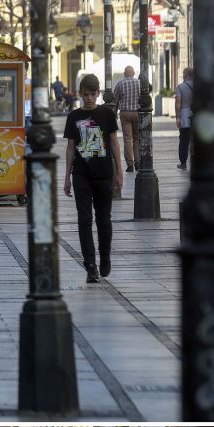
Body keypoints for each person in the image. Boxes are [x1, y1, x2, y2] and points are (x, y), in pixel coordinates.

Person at [62, 73, 124, 283]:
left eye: (93, 94)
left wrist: (120, 172)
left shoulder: (106, 114)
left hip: (104, 173)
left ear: (98, 94)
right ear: (80, 94)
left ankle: (105, 256)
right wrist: (66, 176)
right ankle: (90, 265)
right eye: (86, 94)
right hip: (81, 174)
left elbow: (115, 142)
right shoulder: (73, 117)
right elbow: (70, 147)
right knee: (84, 220)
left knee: (104, 219)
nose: (89, 98)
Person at [113, 64, 143, 172]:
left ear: (124, 74)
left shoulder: (120, 84)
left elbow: (115, 100)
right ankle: (138, 162)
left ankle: (130, 164)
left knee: (127, 139)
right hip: (137, 113)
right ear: (134, 73)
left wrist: (115, 113)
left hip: (125, 114)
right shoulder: (140, 83)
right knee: (137, 139)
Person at [175, 67, 195, 170]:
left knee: (184, 140)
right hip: (196, 115)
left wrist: (178, 116)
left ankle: (183, 163)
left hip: (184, 116)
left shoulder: (180, 87)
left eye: (183, 73)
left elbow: (178, 102)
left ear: (185, 74)